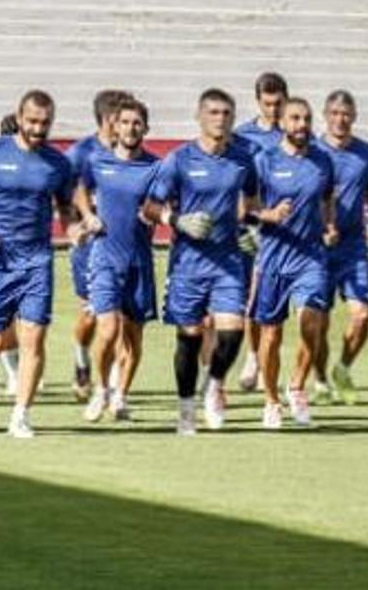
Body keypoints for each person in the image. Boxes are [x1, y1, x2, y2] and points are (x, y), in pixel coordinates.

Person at [0, 90, 76, 438]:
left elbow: (65, 208)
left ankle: (20, 415)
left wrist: (76, 229)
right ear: (20, 118)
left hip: (37, 259)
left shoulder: (58, 164)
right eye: (33, 121)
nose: (39, 129)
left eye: (45, 123)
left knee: (34, 339)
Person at [144, 89, 257, 434]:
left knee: (233, 332)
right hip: (189, 263)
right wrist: (176, 221)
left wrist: (251, 229)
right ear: (199, 116)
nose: (219, 119)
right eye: (213, 112)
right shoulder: (179, 160)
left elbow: (250, 200)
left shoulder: (242, 160)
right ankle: (185, 408)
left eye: (226, 112)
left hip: (228, 262)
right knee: (189, 338)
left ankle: (214, 384)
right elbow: (149, 208)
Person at [249, 98, 338, 429]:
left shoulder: (322, 161)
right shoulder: (264, 161)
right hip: (273, 257)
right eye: (295, 118)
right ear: (282, 122)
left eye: (306, 118)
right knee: (270, 336)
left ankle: (297, 386)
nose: (302, 124)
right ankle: (271, 400)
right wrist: (267, 215)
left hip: (310, 257)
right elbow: (244, 206)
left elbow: (329, 197)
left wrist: (329, 225)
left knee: (312, 321)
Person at [72, 98, 159, 422]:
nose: (130, 128)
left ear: (145, 128)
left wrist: (158, 215)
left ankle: (121, 394)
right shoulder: (99, 162)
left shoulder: (155, 167)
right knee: (107, 330)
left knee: (134, 336)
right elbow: (79, 189)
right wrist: (86, 216)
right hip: (104, 258)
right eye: (125, 122)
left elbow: (163, 202)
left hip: (138, 260)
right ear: (115, 126)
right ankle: (100, 390)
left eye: (137, 123)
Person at [65, 89, 133, 403]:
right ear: (109, 120)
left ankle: (116, 388)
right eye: (121, 118)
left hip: (124, 246)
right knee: (92, 314)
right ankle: (81, 358)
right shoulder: (81, 154)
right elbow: (64, 195)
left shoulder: (133, 154)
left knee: (120, 317)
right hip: (90, 246)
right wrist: (73, 224)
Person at [313, 90, 368, 406]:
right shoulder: (311, 151)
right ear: (326, 115)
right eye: (335, 113)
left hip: (353, 246)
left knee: (362, 315)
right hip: (317, 246)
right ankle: (320, 379)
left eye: (346, 114)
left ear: (353, 117)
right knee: (318, 321)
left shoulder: (367, 154)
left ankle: (343, 367)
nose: (340, 119)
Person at [232, 71, 288, 391]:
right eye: (267, 104)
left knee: (262, 294)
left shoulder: (293, 133)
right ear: (258, 102)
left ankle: (259, 356)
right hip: (250, 225)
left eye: (278, 103)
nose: (273, 110)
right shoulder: (244, 137)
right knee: (247, 296)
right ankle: (253, 354)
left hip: (280, 230)